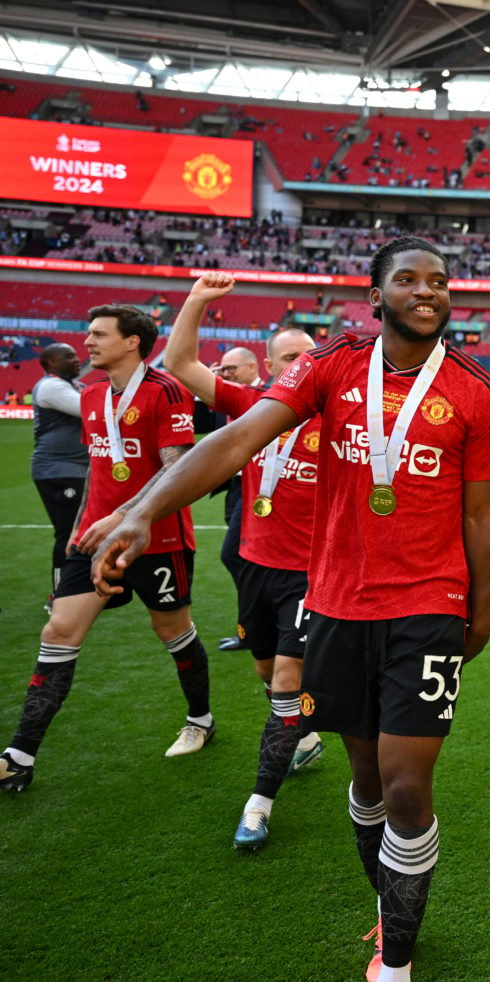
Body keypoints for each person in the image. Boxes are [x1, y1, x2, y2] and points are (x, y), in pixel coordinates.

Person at [92, 236, 490, 981]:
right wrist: (141, 510)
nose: (429, 291)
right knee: (367, 783)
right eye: (409, 280)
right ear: (375, 295)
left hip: (429, 605)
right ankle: (390, 907)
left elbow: (482, 516)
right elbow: (238, 437)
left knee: (409, 783)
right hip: (339, 605)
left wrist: (481, 613)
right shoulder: (335, 364)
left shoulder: (477, 387)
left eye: (440, 282)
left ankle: (397, 963)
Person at [0, 304, 211, 793]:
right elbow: (100, 470)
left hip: (159, 542)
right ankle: (19, 754)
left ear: (132, 341)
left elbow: (176, 469)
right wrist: (82, 531)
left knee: (171, 629)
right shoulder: (92, 394)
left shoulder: (167, 391)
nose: (87, 342)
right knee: (59, 629)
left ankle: (200, 719)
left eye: (98, 334)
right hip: (94, 539)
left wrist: (125, 516)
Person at [162, 273, 325, 849]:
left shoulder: (339, 422)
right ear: (271, 364)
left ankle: (258, 805)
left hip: (311, 576)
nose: (299, 365)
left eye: (308, 356)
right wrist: (198, 300)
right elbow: (180, 362)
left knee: (286, 679)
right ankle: (304, 736)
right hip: (256, 565)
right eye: (288, 358)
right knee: (264, 672)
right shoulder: (250, 404)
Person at [213, 346, 262, 652]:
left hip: (260, 491)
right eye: (223, 370)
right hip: (235, 488)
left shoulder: (269, 399)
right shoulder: (228, 402)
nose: (226, 374)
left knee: (235, 556)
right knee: (241, 558)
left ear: (254, 366)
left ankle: (253, 628)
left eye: (232, 369)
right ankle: (253, 626)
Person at [30, 342, 88, 593]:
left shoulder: (72, 385)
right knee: (67, 533)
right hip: (59, 470)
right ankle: (60, 593)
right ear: (52, 363)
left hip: (75, 470)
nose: (77, 359)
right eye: (69, 356)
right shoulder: (51, 386)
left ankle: (79, 588)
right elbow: (89, 408)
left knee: (80, 532)